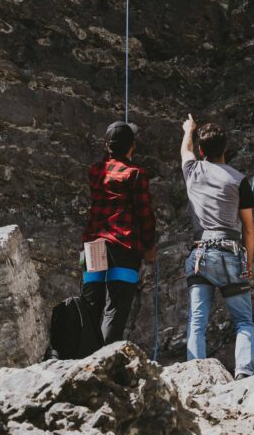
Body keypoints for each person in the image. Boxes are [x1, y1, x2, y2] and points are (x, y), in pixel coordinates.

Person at [181, 115, 254, 378]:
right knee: (244, 321)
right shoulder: (239, 180)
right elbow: (248, 228)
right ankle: (244, 373)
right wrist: (248, 265)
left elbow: (185, 150)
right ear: (225, 148)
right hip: (230, 253)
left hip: (200, 253)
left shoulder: (192, 171)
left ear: (202, 151)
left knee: (197, 322)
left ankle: (196, 375)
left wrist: (188, 130)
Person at [81, 121, 157, 345]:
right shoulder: (135, 174)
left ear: (106, 145)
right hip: (123, 248)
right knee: (115, 308)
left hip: (94, 245)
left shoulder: (95, 171)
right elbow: (144, 214)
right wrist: (149, 246)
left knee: (92, 306)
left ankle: (83, 358)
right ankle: (102, 361)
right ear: (132, 146)